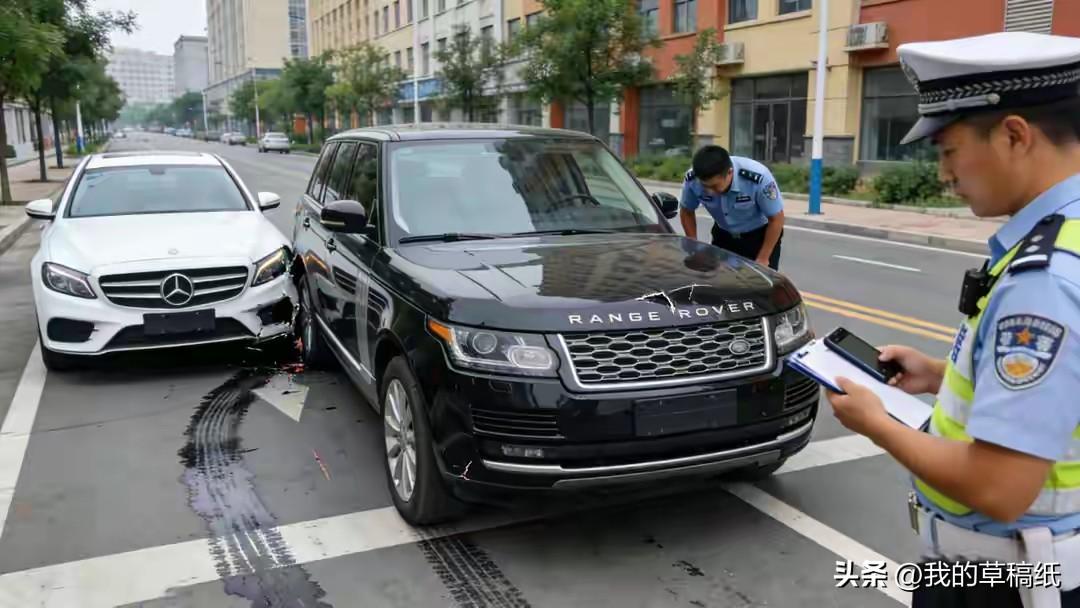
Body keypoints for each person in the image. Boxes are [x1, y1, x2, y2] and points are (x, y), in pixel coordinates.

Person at [824, 32, 1080, 608]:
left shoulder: (1045, 277)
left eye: (948, 150)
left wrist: (877, 423)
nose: (945, 173)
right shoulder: (1066, 238)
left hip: (1006, 584)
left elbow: (999, 486)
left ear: (1014, 135)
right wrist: (939, 374)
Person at [679, 145, 786, 270]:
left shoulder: (758, 178)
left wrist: (763, 258)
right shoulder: (692, 179)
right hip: (723, 236)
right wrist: (693, 246)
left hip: (758, 237)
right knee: (720, 283)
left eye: (714, 186)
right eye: (704, 186)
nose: (709, 192)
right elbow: (687, 211)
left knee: (761, 286)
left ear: (729, 173)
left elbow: (776, 219)